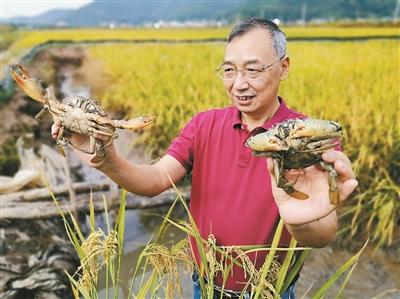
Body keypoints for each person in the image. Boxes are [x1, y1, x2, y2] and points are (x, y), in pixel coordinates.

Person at [52, 18, 358, 298]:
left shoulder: (307, 137)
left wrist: (301, 225)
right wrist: (105, 158)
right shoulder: (204, 125)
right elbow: (155, 180)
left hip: (271, 290)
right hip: (205, 286)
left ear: (284, 67)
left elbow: (323, 233)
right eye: (229, 70)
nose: (239, 83)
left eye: (253, 70)